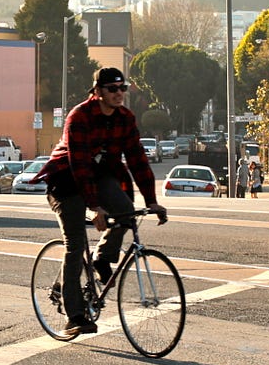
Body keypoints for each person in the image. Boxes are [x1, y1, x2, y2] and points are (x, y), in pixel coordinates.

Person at [31, 67, 167, 335]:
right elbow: (79, 164)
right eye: (112, 89)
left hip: (100, 175)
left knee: (127, 213)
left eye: (122, 88)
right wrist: (94, 207)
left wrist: (152, 200)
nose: (119, 94)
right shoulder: (79, 116)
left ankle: (102, 259)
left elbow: (138, 160)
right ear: (98, 92)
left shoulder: (125, 118)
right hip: (67, 181)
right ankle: (76, 316)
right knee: (75, 244)